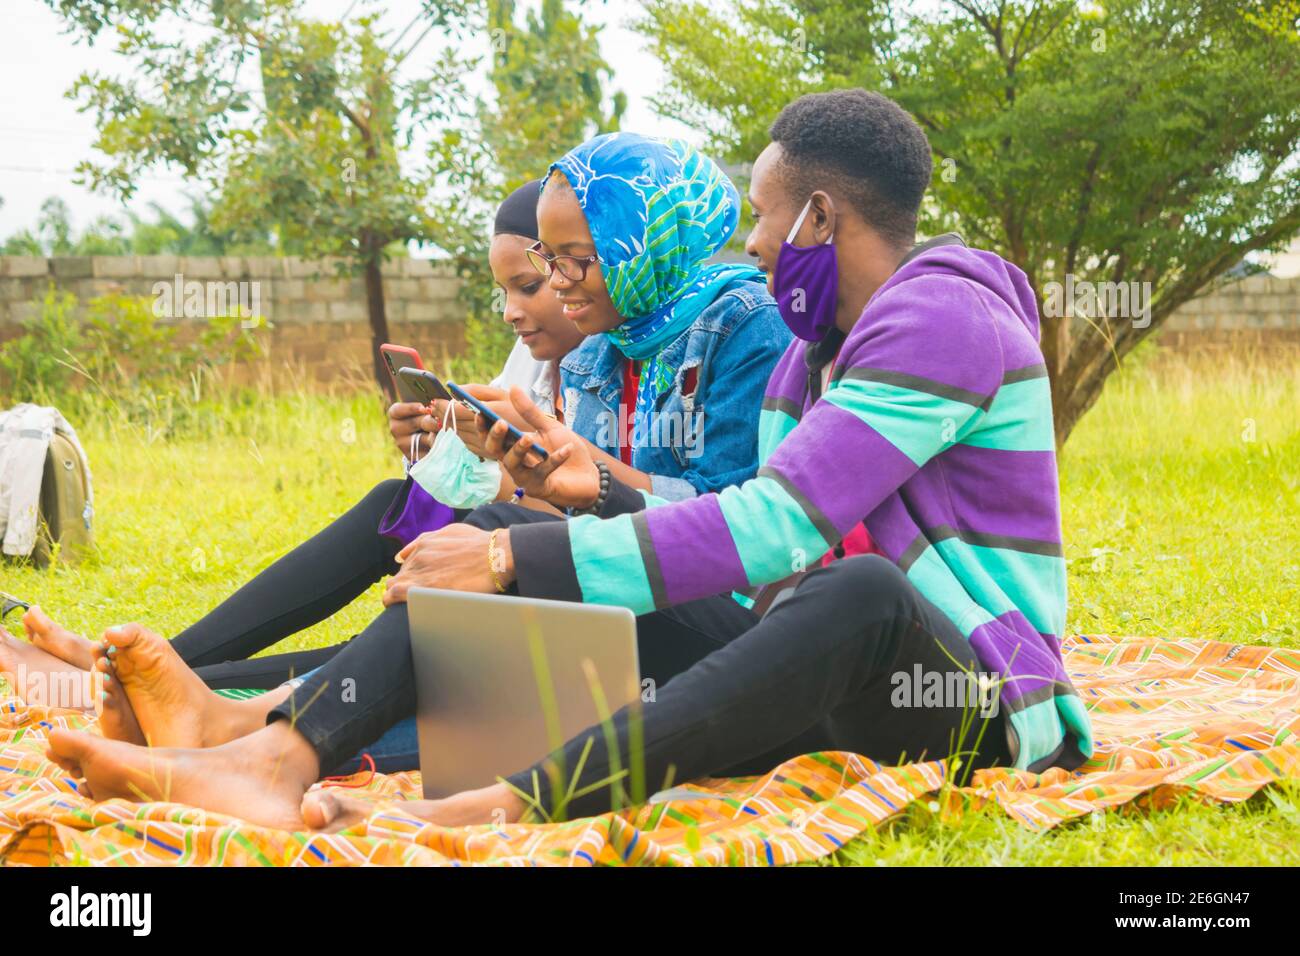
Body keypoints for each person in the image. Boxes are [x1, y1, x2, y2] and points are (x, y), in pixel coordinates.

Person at [43, 90, 1095, 830]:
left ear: (820, 212)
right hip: (810, 663)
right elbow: (763, 577)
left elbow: (778, 525)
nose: (759, 239)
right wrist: (517, 534)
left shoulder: (939, 320)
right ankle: (276, 753)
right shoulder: (812, 358)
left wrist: (525, 565)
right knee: (504, 530)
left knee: (853, 590)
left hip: (969, 697)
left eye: (768, 215)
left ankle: (511, 799)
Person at [15, 137, 790, 785]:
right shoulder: (608, 346)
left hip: (719, 613)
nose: (551, 287)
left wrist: (548, 507)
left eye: (566, 263)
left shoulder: (744, 328)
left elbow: (736, 530)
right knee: (451, 594)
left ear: (639, 244)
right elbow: (589, 501)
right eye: (543, 267)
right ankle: (213, 713)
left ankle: (237, 726)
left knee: (480, 569)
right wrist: (529, 480)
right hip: (619, 582)